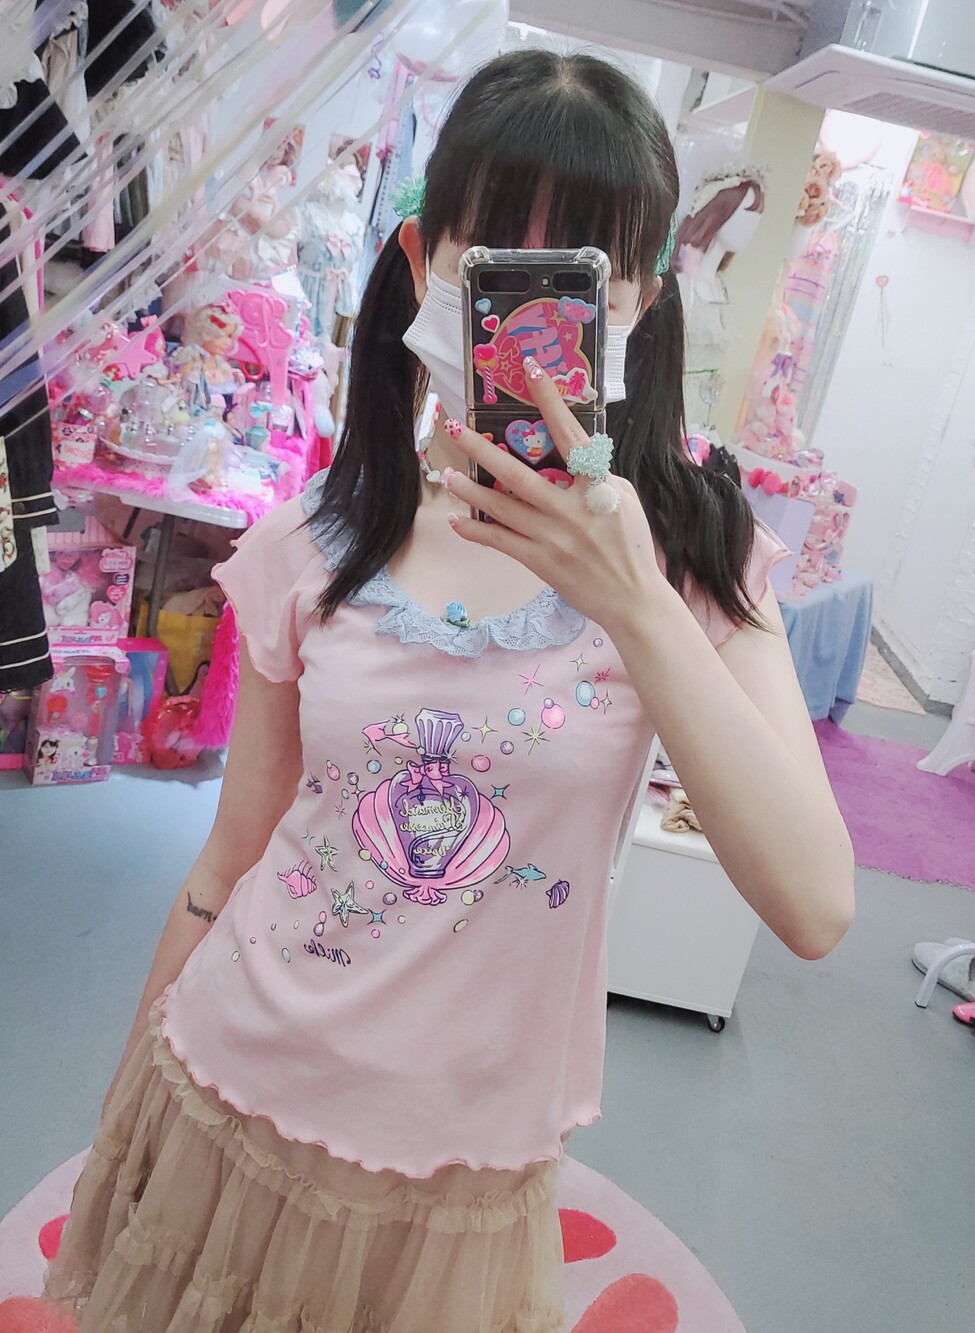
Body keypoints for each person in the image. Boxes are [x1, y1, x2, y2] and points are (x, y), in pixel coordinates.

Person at [42, 49, 855, 1333]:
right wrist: (127, 1101)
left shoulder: (694, 559)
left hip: (465, 1163)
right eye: (493, 266)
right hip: (235, 1084)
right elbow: (231, 854)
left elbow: (813, 904)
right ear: (422, 263)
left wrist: (635, 599)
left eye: (575, 279)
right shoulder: (317, 543)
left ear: (640, 303)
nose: (527, 329)